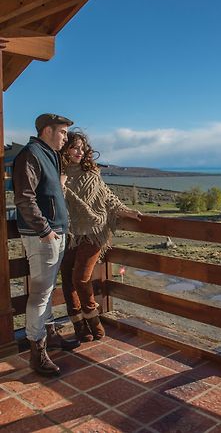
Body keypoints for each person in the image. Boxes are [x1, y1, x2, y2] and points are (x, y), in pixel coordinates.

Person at [13, 113, 80, 377]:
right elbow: (24, 198)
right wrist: (45, 231)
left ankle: (50, 336)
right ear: (47, 130)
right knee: (40, 295)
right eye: (62, 132)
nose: (66, 137)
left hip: (55, 233)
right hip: (43, 236)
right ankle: (37, 352)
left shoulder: (49, 154)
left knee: (49, 291)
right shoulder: (30, 154)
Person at [60, 130, 141, 342]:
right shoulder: (58, 174)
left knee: (81, 278)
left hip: (95, 232)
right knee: (67, 280)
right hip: (69, 232)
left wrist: (126, 211)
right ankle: (79, 325)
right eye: (74, 147)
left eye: (82, 148)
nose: (79, 152)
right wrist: (60, 183)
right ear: (65, 149)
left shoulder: (92, 173)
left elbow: (107, 198)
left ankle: (93, 319)